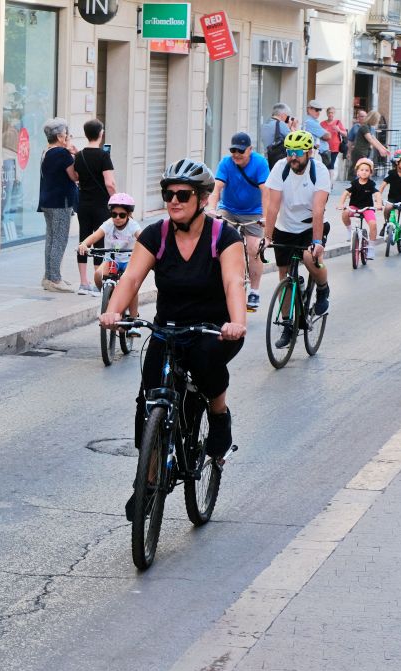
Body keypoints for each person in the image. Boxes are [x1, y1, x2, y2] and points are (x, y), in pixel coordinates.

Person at [98, 159, 246, 514]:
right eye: (168, 194)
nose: (174, 201)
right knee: (148, 398)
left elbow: (233, 282)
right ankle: (148, 479)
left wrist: (237, 321)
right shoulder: (155, 235)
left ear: (203, 198)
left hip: (214, 328)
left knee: (204, 359)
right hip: (168, 327)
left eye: (183, 194)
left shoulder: (223, 237)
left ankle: (219, 415)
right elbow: (131, 279)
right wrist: (113, 311)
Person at [263, 129, 332, 349]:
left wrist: (318, 242)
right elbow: (273, 206)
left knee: (310, 258)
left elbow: (319, 209)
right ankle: (287, 325)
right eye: (289, 151)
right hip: (285, 226)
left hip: (310, 225)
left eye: (298, 152)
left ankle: (322, 288)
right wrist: (267, 236)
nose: (293, 156)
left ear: (309, 152)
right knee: (284, 276)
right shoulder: (280, 168)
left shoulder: (319, 171)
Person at [206, 131, 268, 311]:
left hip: (254, 212)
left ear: (250, 149)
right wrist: (211, 209)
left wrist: (265, 216)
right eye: (233, 150)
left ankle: (254, 291)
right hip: (229, 210)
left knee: (254, 248)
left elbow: (266, 192)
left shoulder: (260, 163)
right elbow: (216, 188)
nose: (236, 154)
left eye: (241, 151)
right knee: (216, 243)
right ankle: (218, 281)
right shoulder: (226, 163)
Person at [73, 118, 118, 295]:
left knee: (83, 240)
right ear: (100, 133)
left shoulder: (79, 155)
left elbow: (76, 176)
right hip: (101, 204)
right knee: (99, 241)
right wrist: (116, 200)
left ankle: (83, 283)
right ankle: (97, 280)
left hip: (83, 203)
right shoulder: (103, 156)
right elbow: (110, 183)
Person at [37, 118, 80, 293]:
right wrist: (75, 155)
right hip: (61, 202)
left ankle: (49, 276)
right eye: (67, 134)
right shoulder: (62, 154)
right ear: (61, 136)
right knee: (59, 240)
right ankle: (55, 278)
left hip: (48, 201)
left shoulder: (46, 151)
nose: (68, 137)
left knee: (51, 239)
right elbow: (74, 176)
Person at [77, 192, 140, 297]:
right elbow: (95, 236)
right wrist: (84, 244)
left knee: (131, 286)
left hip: (128, 261)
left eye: (122, 215)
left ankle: (133, 314)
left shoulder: (133, 225)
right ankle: (107, 296)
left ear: (128, 215)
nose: (117, 218)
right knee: (98, 275)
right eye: (114, 214)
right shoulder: (109, 223)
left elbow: (143, 239)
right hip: (111, 261)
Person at [339, 157, 380, 259]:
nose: (364, 172)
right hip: (354, 206)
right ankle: (349, 231)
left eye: (367, 170)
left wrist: (378, 204)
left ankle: (371, 248)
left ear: (370, 173)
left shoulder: (371, 184)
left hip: (367, 208)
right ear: (357, 172)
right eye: (362, 170)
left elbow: (377, 193)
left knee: (373, 224)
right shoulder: (354, 183)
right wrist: (341, 203)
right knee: (344, 213)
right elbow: (346, 193)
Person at [349, 110, 390, 179]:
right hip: (360, 152)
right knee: (360, 171)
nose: (378, 121)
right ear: (373, 119)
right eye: (377, 119)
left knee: (362, 171)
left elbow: (375, 139)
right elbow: (370, 139)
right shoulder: (364, 127)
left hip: (364, 152)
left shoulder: (370, 127)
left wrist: (384, 148)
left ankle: (359, 186)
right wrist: (380, 149)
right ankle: (356, 186)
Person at [302, 100, 331, 170]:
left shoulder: (312, 121)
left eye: (319, 110)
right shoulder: (310, 122)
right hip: (317, 155)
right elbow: (328, 136)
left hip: (318, 154)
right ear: (309, 109)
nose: (318, 112)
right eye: (316, 110)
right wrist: (326, 133)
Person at [323, 107, 348, 174]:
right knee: (325, 165)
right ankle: (326, 180)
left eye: (332, 113)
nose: (330, 114)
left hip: (335, 148)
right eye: (329, 112)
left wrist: (338, 130)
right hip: (324, 148)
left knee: (331, 164)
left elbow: (345, 134)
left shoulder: (337, 122)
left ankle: (330, 182)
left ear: (334, 114)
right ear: (327, 113)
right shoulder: (322, 124)